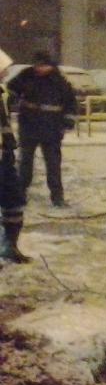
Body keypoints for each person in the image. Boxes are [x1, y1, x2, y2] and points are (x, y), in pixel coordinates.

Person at [5, 50, 78, 207]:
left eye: (43, 65)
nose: (39, 68)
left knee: (53, 165)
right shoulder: (26, 75)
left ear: (50, 65)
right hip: (29, 126)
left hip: (51, 129)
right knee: (25, 164)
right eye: (37, 65)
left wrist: (67, 122)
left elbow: (71, 104)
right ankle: (20, 195)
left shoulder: (60, 81)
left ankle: (57, 198)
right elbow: (10, 91)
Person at [0, 48, 29, 263]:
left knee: (14, 200)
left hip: (4, 156)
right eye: (3, 69)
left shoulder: (3, 93)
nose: (6, 73)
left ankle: (9, 246)